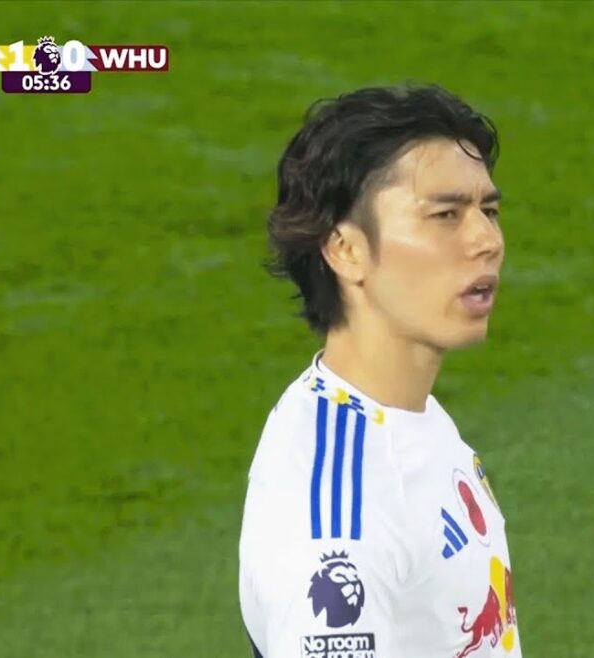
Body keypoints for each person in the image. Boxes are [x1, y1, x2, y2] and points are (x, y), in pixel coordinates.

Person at [238, 84, 521, 658]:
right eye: (445, 215)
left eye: (488, 212)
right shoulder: (339, 527)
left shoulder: (404, 415)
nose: (487, 240)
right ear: (345, 249)